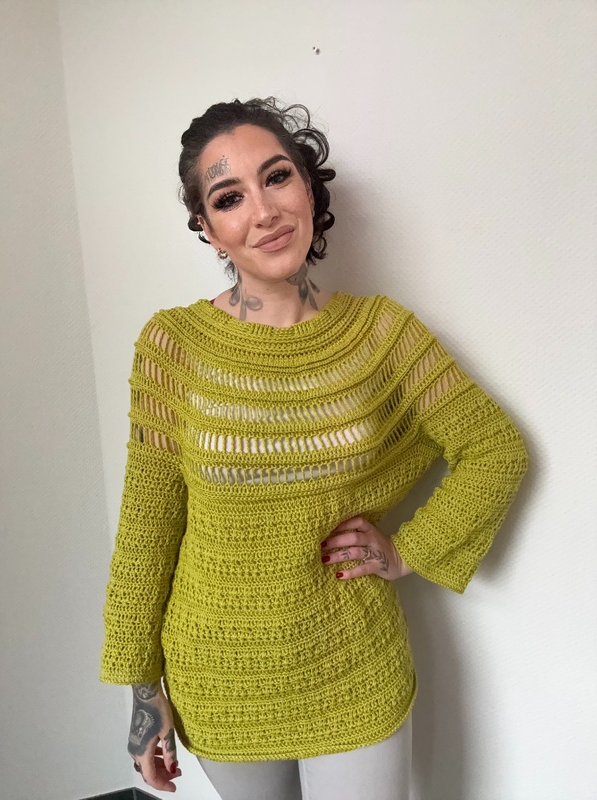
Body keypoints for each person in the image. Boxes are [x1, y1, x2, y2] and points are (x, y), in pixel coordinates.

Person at [100, 97, 529, 800]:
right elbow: (148, 530)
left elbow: (494, 450)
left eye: (277, 177)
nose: (264, 211)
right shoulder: (173, 347)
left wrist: (407, 550)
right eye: (230, 197)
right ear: (208, 229)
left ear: (308, 187)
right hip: (220, 675)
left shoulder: (382, 335)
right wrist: (143, 694)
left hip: (351, 663)